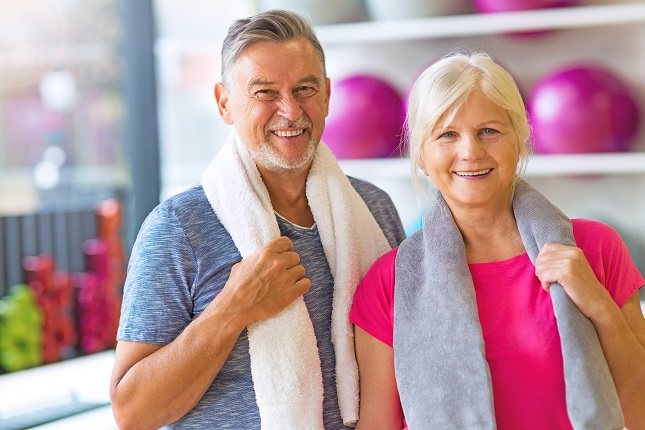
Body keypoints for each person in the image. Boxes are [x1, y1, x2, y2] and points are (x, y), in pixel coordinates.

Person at [109, 9, 405, 430]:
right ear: (225, 103)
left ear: (326, 96)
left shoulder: (375, 209)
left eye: (305, 88)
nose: (289, 110)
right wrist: (232, 309)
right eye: (264, 92)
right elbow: (131, 412)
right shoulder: (178, 228)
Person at [350, 51, 645, 430]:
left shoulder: (593, 248)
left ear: (519, 139)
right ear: (422, 155)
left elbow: (639, 413)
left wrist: (600, 307)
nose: (470, 151)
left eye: (488, 130)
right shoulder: (389, 282)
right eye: (447, 135)